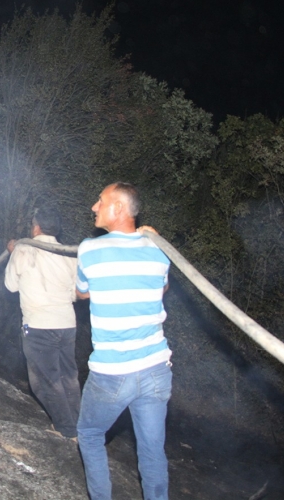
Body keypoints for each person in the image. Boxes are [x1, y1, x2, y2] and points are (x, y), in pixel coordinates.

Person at [75, 182, 172, 500]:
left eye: (100, 201)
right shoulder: (158, 248)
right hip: (156, 368)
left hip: (113, 372)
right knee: (152, 451)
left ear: (117, 209)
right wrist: (150, 240)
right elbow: (162, 288)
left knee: (89, 434)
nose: (94, 207)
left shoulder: (90, 248)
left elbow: (81, 292)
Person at [4, 204, 81, 439]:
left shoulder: (24, 250)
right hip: (67, 324)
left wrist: (12, 252)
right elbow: (75, 293)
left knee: (44, 382)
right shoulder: (69, 253)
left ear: (36, 227)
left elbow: (11, 286)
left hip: (39, 326)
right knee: (68, 377)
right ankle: (78, 425)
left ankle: (67, 429)